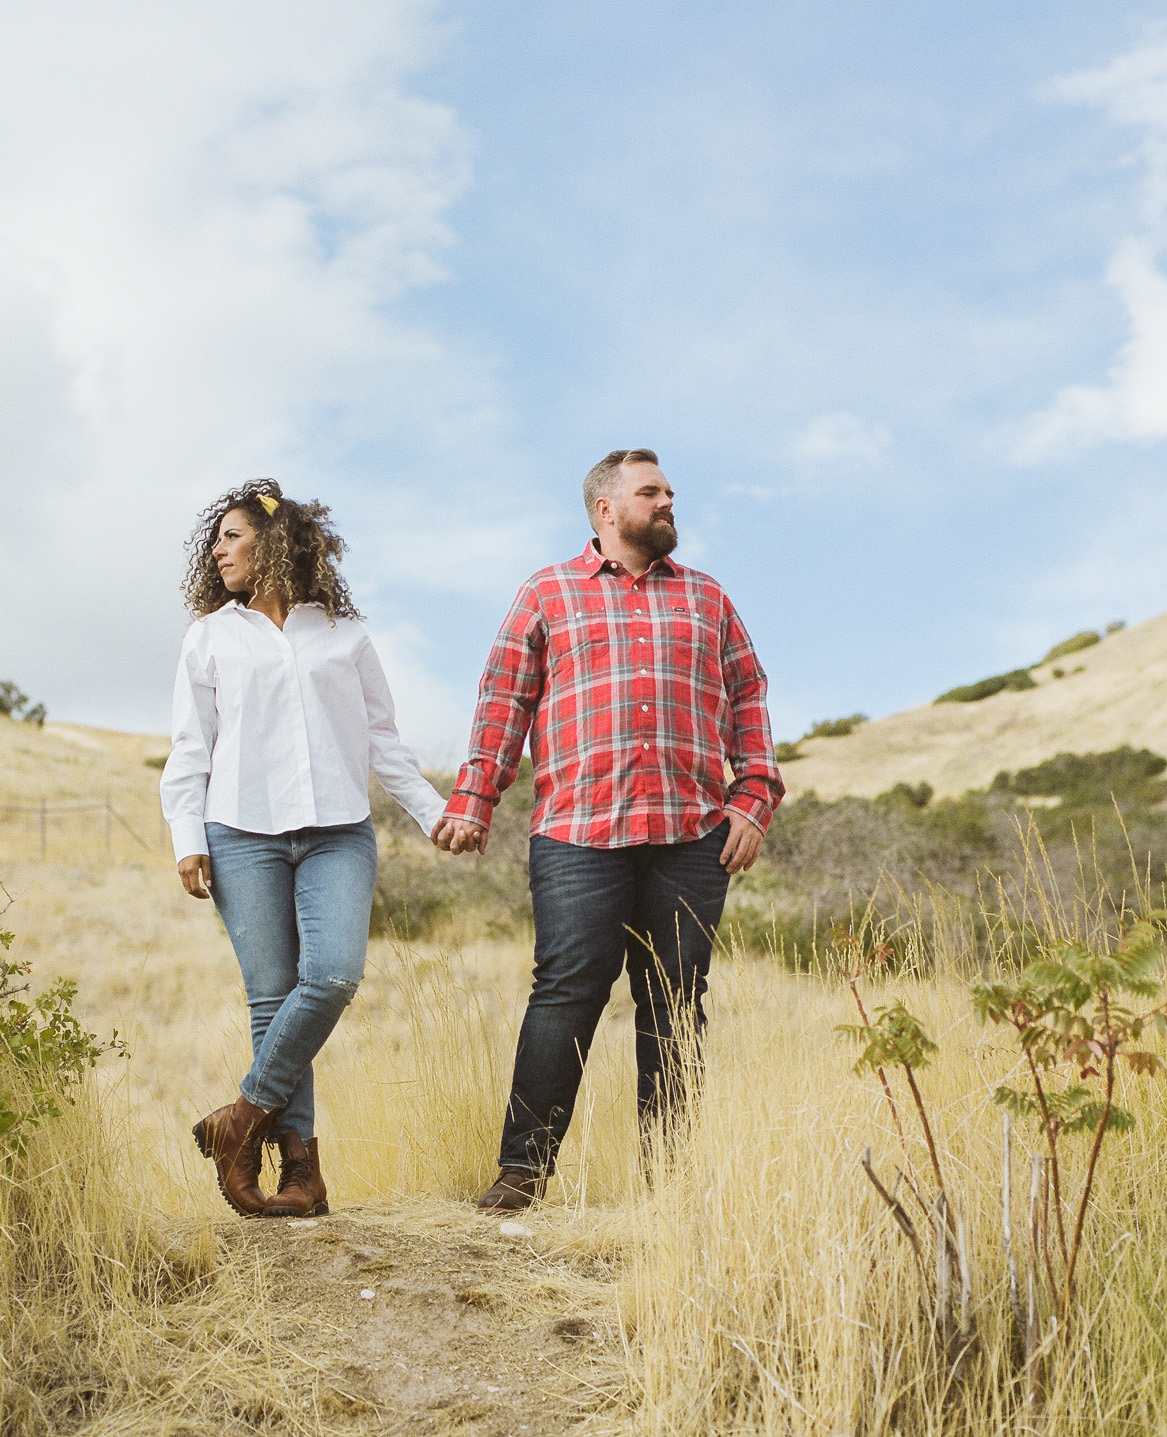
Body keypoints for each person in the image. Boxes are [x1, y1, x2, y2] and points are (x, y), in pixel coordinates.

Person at [434, 448, 782, 1211]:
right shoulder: (547, 593)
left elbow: (748, 699)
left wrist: (753, 798)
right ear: (605, 509)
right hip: (577, 833)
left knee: (675, 1001)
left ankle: (671, 1187)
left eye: (668, 491)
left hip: (692, 835)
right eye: (650, 492)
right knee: (565, 993)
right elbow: (504, 701)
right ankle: (522, 1172)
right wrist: (473, 798)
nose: (667, 501)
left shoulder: (708, 598)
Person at [162, 480, 446, 1218]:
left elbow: (383, 740)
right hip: (240, 832)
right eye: (215, 539)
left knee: (330, 977)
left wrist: (434, 812)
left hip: (337, 832)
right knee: (273, 999)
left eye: (232, 535)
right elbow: (191, 748)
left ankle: (239, 1119)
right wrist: (186, 836)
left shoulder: (344, 634)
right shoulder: (210, 636)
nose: (218, 549)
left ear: (275, 540)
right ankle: (300, 1171)